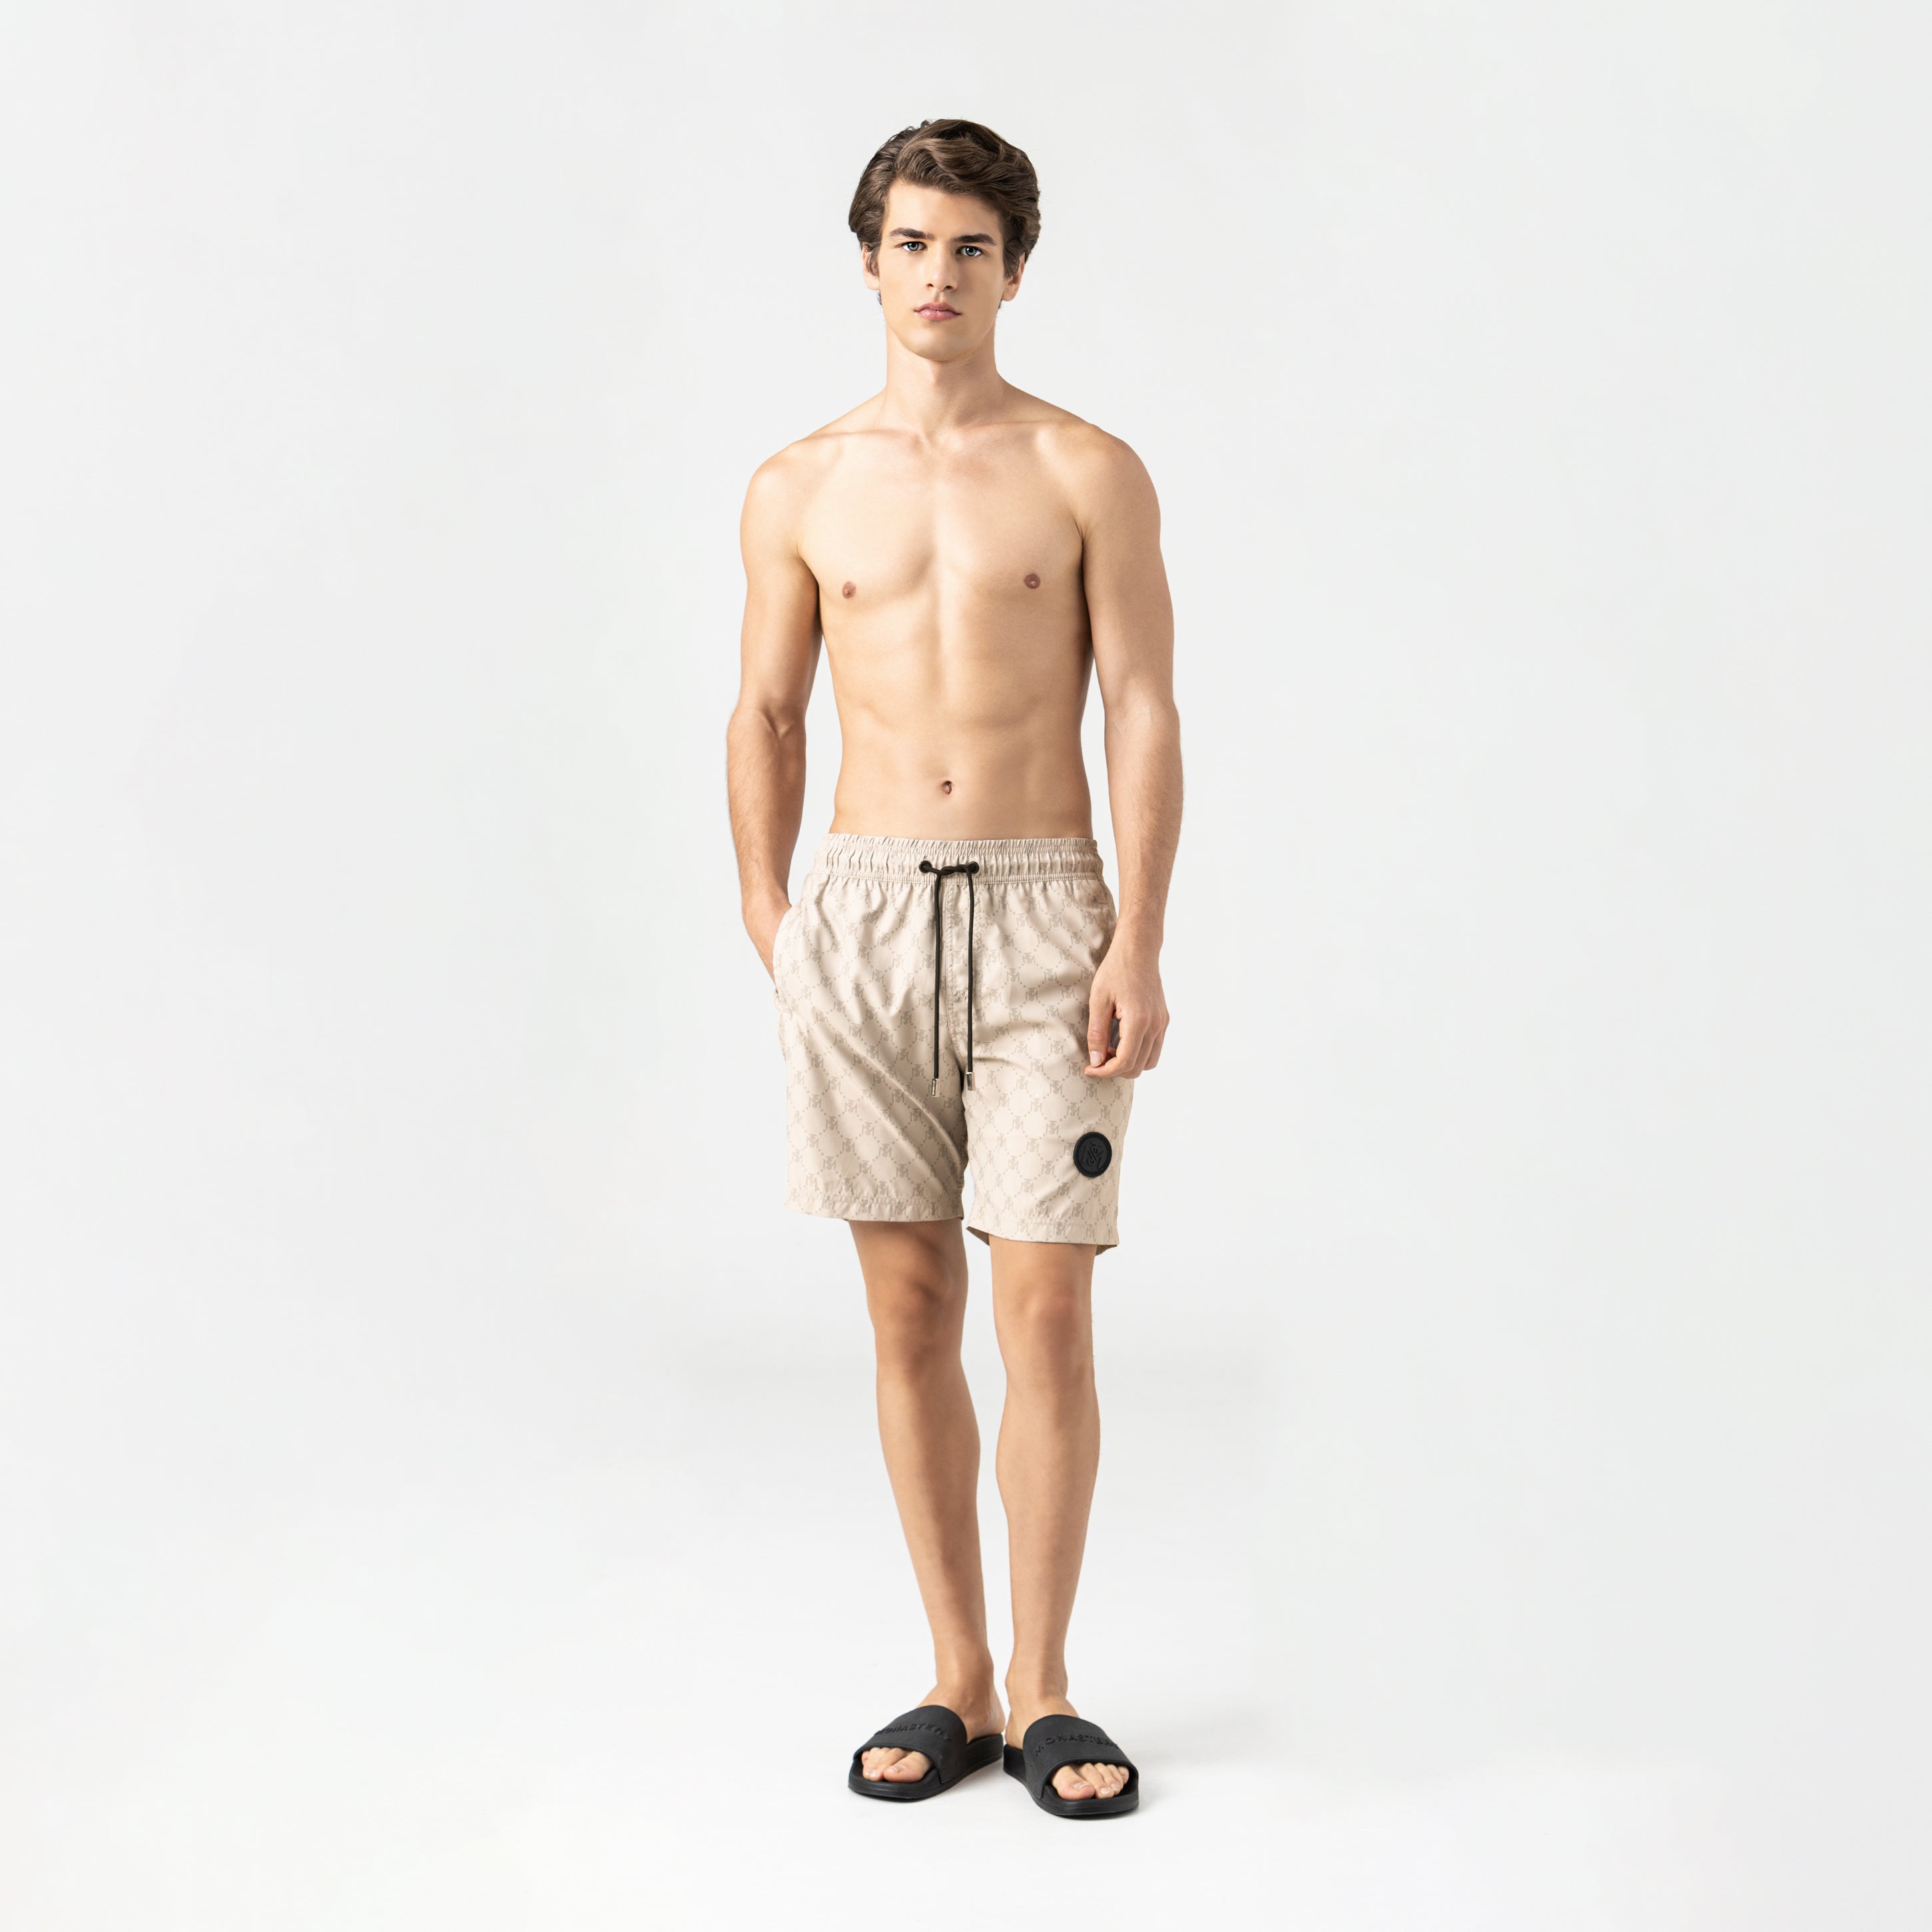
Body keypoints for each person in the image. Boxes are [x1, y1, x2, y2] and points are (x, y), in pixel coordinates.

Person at [725, 118, 1181, 1819]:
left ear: (1013, 270)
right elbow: (766, 710)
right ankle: (958, 1674)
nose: (938, 273)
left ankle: (1047, 1685)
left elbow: (1142, 706)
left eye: (970, 247)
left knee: (1044, 1300)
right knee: (906, 1305)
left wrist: (1138, 931)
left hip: (1045, 906)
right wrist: (770, 914)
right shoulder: (796, 483)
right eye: (911, 243)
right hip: (858, 911)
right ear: (868, 263)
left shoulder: (1085, 468)